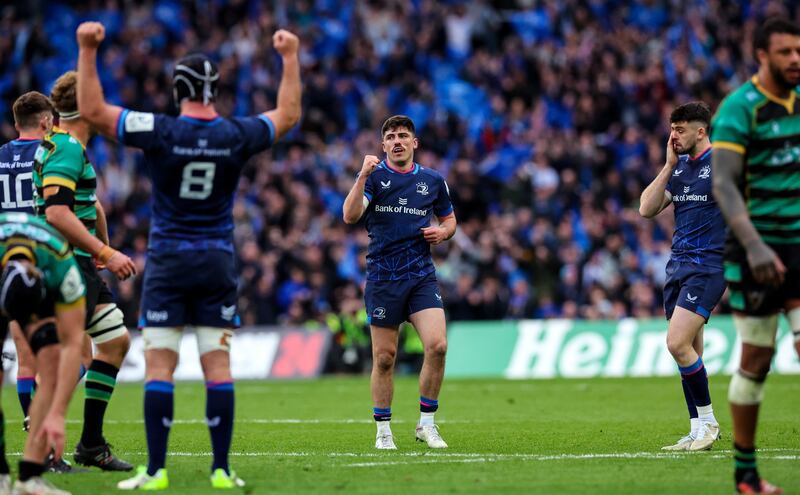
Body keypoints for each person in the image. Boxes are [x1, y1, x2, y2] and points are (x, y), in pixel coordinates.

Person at [75, 20, 301, 490]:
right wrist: (290, 56)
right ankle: (221, 470)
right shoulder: (236, 133)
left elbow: (92, 110)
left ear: (177, 90)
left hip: (168, 263)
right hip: (217, 260)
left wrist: (88, 48)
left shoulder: (160, 130)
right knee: (217, 366)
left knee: (160, 366)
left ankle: (156, 471)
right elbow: (288, 115)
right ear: (215, 90)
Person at [711, 17, 800, 495]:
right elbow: (724, 184)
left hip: (798, 244)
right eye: (785, 52)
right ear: (762, 55)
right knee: (757, 358)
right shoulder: (739, 109)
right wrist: (754, 245)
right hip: (755, 248)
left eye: (798, 50)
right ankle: (745, 472)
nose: (795, 59)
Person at [32, 71, 137, 471]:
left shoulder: (66, 145)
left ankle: (91, 444)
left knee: (114, 342)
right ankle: (42, 449)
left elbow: (88, 204)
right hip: (64, 264)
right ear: (86, 107)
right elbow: (57, 212)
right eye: (98, 98)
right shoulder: (66, 148)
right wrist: (105, 251)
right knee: (60, 360)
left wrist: (101, 244)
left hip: (77, 262)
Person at [343, 115, 456, 450]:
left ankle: (427, 425)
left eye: (403, 136)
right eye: (391, 137)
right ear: (383, 145)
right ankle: (383, 430)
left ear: (414, 142)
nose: (397, 141)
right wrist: (362, 175)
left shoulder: (433, 180)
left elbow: (450, 220)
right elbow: (350, 215)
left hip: (421, 276)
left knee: (438, 346)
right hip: (383, 277)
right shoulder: (375, 178)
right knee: (384, 358)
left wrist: (443, 232)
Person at [639, 102, 725, 451]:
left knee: (676, 343)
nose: (673, 136)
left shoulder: (723, 163)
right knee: (687, 351)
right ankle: (696, 428)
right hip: (678, 268)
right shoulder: (679, 169)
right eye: (672, 129)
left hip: (708, 267)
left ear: (700, 131)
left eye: (680, 129)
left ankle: (709, 423)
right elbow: (646, 208)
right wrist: (667, 166)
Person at [0, 212, 86, 495]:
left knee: (51, 362)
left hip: (43, 276)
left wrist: (58, 414)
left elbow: (73, 344)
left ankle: (30, 476)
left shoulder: (61, 262)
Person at [0, 91, 54, 431]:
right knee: (76, 353)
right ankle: (42, 424)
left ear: (16, 123)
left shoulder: (1, 156)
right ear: (46, 121)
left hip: (7, 256)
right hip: (43, 256)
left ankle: (34, 425)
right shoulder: (52, 153)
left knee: (24, 355)